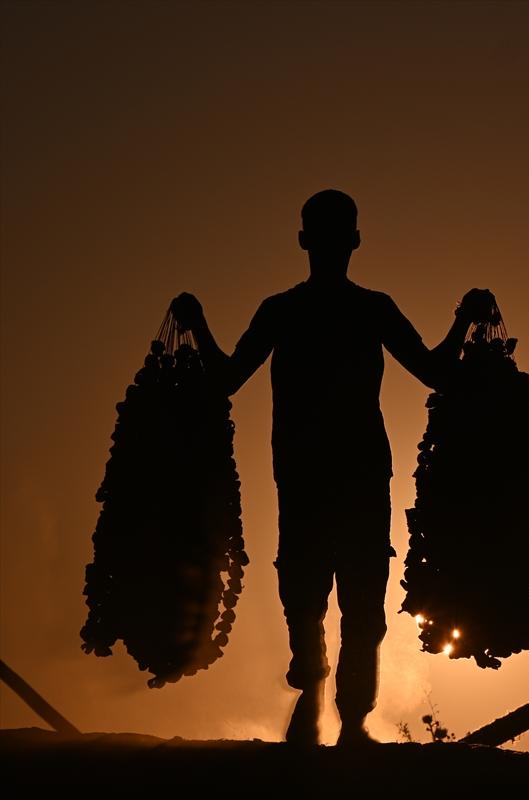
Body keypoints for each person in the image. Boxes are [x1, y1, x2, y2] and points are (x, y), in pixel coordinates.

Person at [171, 189, 493, 747]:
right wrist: (463, 319)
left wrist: (198, 326)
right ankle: (337, 708)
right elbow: (438, 372)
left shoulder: (296, 311)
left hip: (317, 475)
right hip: (345, 474)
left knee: (318, 593)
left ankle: (335, 707)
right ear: (354, 241)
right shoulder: (362, 309)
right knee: (342, 598)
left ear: (306, 241)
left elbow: (222, 381)